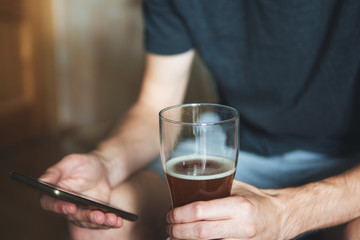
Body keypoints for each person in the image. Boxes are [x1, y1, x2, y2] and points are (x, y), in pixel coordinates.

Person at [39, 0, 360, 239]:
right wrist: (105, 163)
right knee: (101, 226)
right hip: (235, 154)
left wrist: (286, 214)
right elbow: (156, 104)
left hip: (349, 166)